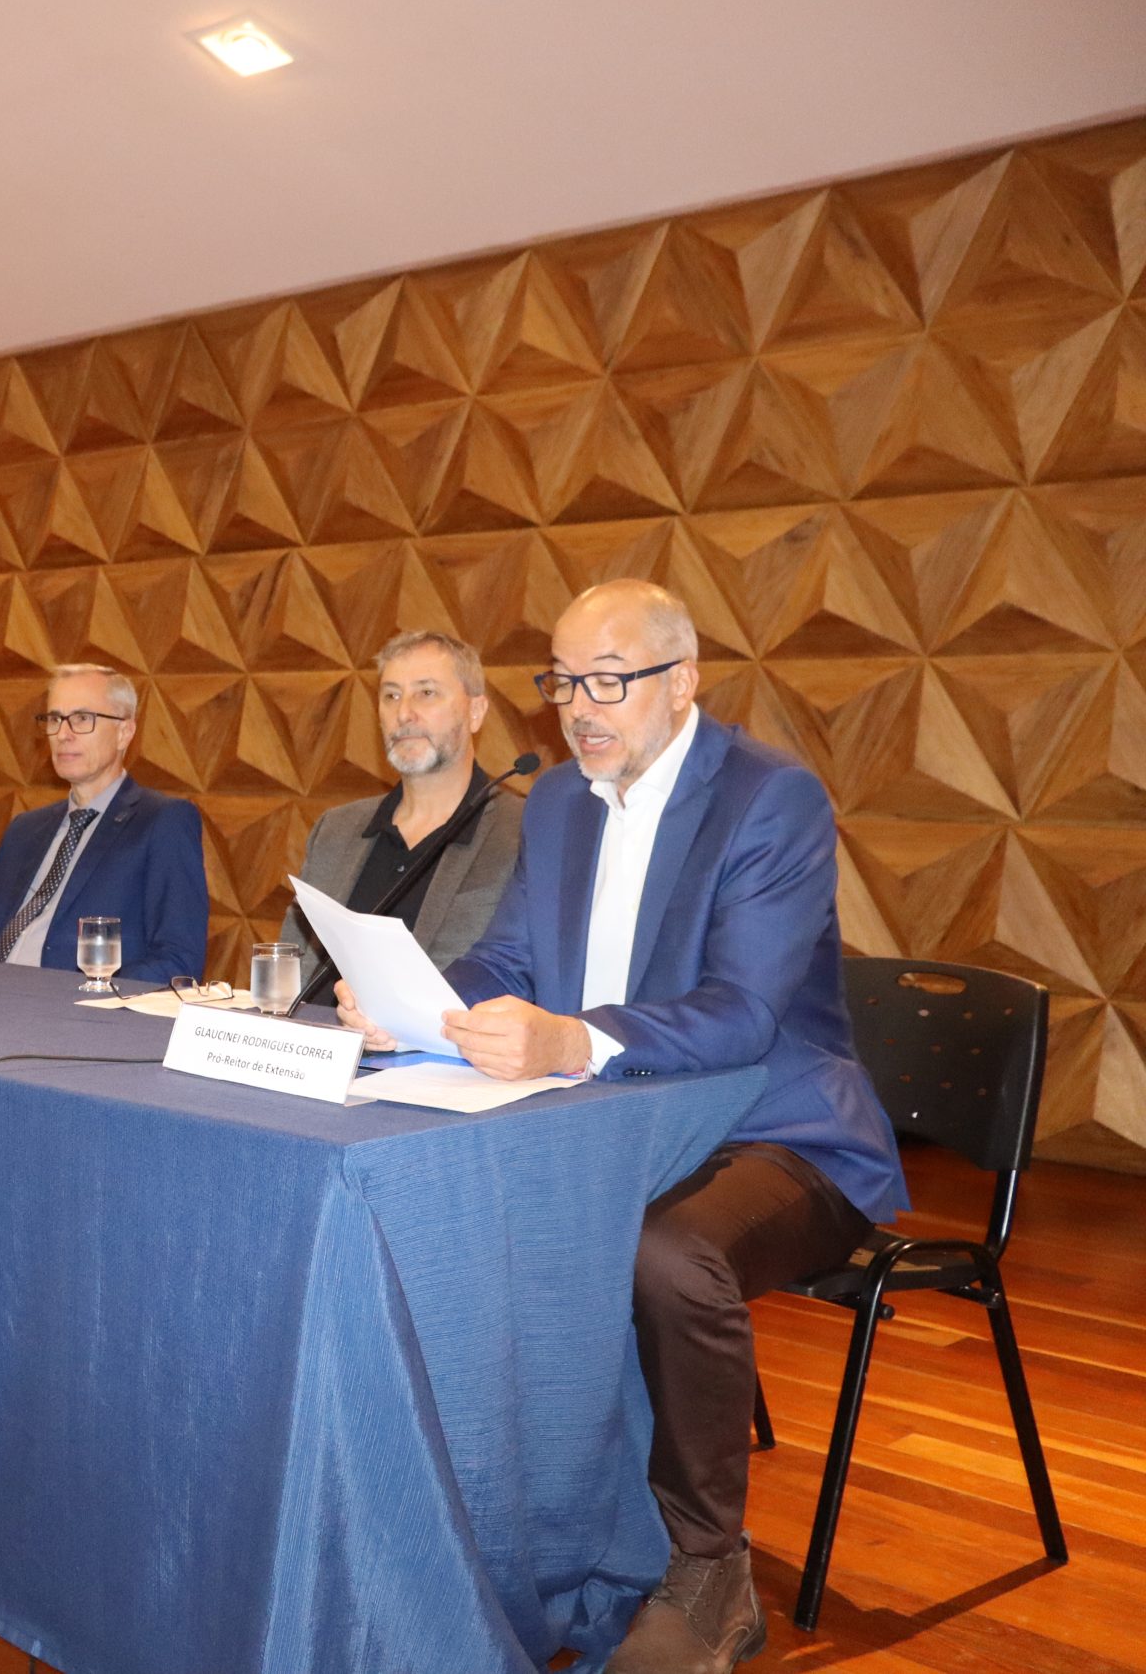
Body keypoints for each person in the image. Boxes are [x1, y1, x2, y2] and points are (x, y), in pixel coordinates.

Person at [334, 579, 906, 1674]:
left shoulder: (769, 798)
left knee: (664, 1254)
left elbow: (743, 1013)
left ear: (682, 680)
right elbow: (507, 957)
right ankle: (523, 1523)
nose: (578, 711)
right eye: (562, 684)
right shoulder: (557, 800)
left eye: (608, 682)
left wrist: (570, 1039)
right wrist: (416, 1005)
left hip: (779, 1130)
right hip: (611, 1124)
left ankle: (708, 1568)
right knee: (454, 1202)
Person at [282, 629, 522, 982]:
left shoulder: (520, 833)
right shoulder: (335, 829)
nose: (404, 713)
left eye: (426, 693)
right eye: (391, 695)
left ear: (475, 711)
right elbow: (288, 965)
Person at [0, 664, 208, 983]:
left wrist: (92, 991)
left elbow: (179, 959)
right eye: (55, 719)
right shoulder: (24, 829)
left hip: (77, 1005)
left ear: (124, 732)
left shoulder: (163, 821)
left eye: (83, 718)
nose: (63, 734)